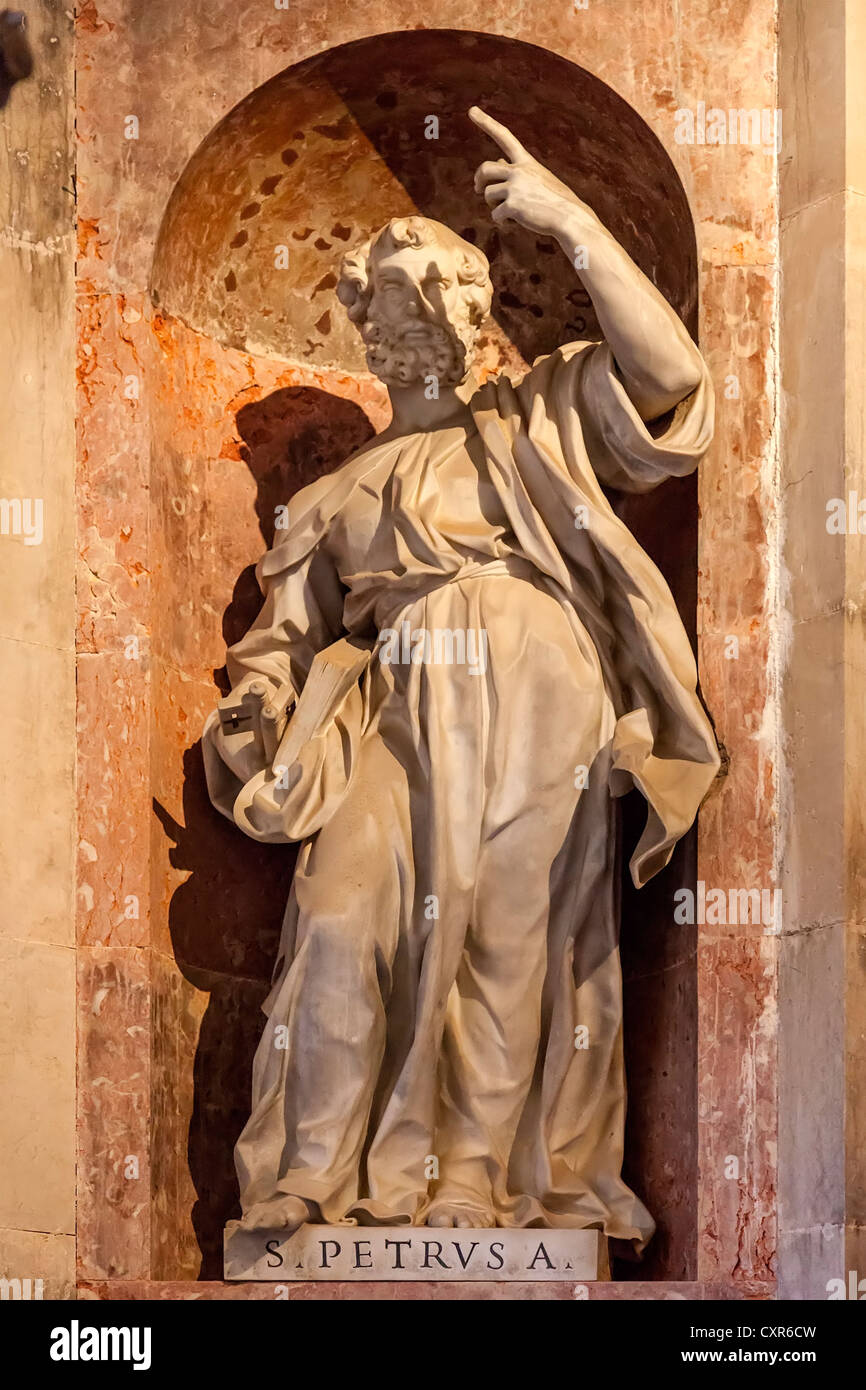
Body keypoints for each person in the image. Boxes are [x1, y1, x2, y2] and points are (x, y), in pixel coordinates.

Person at [203, 108, 719, 1247]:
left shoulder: (540, 417)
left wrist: (570, 224)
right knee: (340, 920)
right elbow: (280, 648)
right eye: (384, 311)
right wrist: (257, 709)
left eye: (425, 304)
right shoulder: (339, 495)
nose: (405, 329)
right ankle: (313, 1173)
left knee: (505, 931)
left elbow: (673, 379)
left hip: (537, 685)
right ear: (363, 334)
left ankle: (473, 1185)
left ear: (471, 319)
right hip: (392, 706)